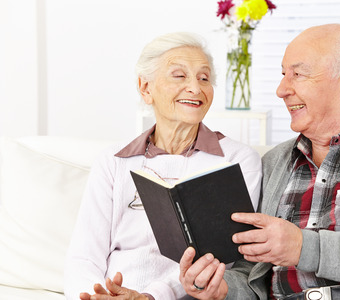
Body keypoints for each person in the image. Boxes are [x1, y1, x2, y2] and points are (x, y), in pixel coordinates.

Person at [179, 23, 340, 300]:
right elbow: (252, 274)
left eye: (297, 74)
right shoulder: (274, 162)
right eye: (282, 74)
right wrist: (222, 288)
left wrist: (302, 247)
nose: (281, 90)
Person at [63, 32, 262, 300]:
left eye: (204, 78)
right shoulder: (112, 161)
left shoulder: (236, 160)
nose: (195, 88)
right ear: (146, 88)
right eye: (179, 76)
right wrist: (92, 295)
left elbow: (219, 260)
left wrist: (151, 296)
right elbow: (84, 255)